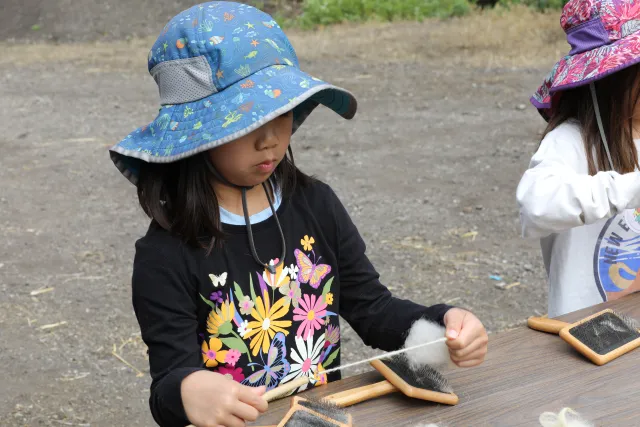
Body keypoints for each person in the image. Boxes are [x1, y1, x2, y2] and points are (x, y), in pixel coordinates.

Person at [109, 2, 488, 426]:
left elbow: (372, 309)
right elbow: (166, 388)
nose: (270, 138)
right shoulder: (165, 253)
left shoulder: (316, 205)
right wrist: (188, 389)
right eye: (244, 121)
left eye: (280, 112)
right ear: (196, 136)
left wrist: (443, 322)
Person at [516, 0, 640, 318]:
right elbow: (536, 206)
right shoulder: (571, 142)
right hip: (589, 334)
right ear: (612, 79)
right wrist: (630, 187)